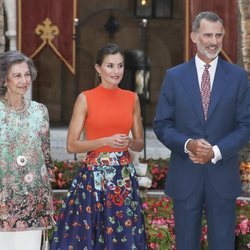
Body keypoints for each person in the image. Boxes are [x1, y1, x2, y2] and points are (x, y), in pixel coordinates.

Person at [153, 11, 250, 250]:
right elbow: (161, 124)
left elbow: (246, 125)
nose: (214, 41)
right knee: (186, 244)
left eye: (218, 35)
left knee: (223, 245)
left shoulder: (238, 77)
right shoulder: (174, 77)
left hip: (222, 176)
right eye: (208, 35)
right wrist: (189, 145)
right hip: (186, 176)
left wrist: (215, 151)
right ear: (194, 36)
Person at [50, 43, 147, 249]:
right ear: (98, 68)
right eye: (110, 66)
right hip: (93, 179)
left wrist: (129, 142)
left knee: (123, 235)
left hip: (124, 180)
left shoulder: (132, 98)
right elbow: (71, 145)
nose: (116, 71)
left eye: (120, 66)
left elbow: (139, 144)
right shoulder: (85, 99)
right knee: (90, 235)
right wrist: (105, 141)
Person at [0, 51, 55, 250]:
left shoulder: (39, 111)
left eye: (27, 74)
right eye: (17, 75)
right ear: (4, 79)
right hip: (2, 201)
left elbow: (46, 156)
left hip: (34, 203)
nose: (24, 80)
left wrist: (45, 199)